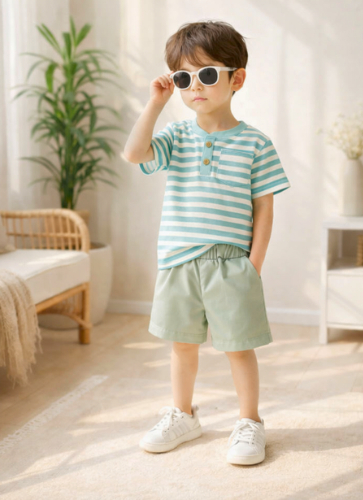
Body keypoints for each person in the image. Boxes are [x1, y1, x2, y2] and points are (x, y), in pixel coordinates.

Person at [124, 20, 291, 466]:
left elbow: (264, 208)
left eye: (208, 74)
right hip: (178, 262)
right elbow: (134, 154)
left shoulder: (256, 144)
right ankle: (182, 414)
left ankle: (250, 421)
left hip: (231, 263)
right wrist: (156, 103)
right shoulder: (176, 137)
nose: (195, 85)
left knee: (238, 346)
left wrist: (253, 265)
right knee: (182, 345)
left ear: (237, 78)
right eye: (184, 77)